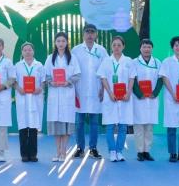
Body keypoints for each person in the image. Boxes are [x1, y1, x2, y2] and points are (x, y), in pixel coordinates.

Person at [44, 31, 82, 162]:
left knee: (66, 124)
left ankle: (64, 152)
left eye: (63, 41)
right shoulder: (50, 58)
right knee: (56, 126)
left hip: (67, 94)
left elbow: (77, 74)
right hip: (55, 94)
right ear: (55, 43)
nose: (61, 43)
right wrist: (51, 82)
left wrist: (68, 81)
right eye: (58, 41)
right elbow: (46, 75)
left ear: (67, 43)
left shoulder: (72, 58)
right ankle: (57, 152)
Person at [97, 36, 134, 162]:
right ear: (111, 47)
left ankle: (119, 151)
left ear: (123, 46)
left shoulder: (128, 61)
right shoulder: (106, 61)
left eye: (119, 45)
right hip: (111, 97)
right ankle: (112, 151)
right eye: (114, 45)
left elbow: (132, 78)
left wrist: (128, 93)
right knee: (110, 126)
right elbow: (103, 78)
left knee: (123, 126)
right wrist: (109, 93)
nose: (116, 47)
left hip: (124, 98)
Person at [72, 25, 106, 158]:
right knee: (79, 122)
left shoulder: (101, 50)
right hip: (80, 90)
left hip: (96, 90)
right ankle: (80, 148)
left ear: (96, 34)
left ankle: (93, 148)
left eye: (92, 32)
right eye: (87, 32)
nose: (90, 35)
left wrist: (103, 88)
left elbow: (105, 71)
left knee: (94, 121)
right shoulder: (76, 50)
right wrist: (73, 90)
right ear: (83, 34)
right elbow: (72, 70)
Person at [131, 39, 164, 162]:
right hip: (139, 99)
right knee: (139, 126)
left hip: (152, 98)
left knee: (149, 126)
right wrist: (139, 94)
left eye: (149, 47)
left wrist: (155, 93)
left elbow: (161, 79)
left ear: (152, 49)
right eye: (144, 47)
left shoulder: (157, 62)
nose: (146, 49)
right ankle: (140, 151)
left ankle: (147, 151)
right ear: (140, 48)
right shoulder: (134, 62)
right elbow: (132, 79)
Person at [14, 42, 44, 162]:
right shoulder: (18, 65)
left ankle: (33, 154)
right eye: (25, 50)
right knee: (23, 126)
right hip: (22, 98)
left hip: (35, 99)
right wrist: (18, 88)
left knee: (33, 127)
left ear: (33, 51)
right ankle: (24, 154)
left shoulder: (39, 65)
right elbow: (14, 81)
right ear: (22, 52)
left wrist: (40, 88)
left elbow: (43, 81)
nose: (27, 52)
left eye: (30, 50)